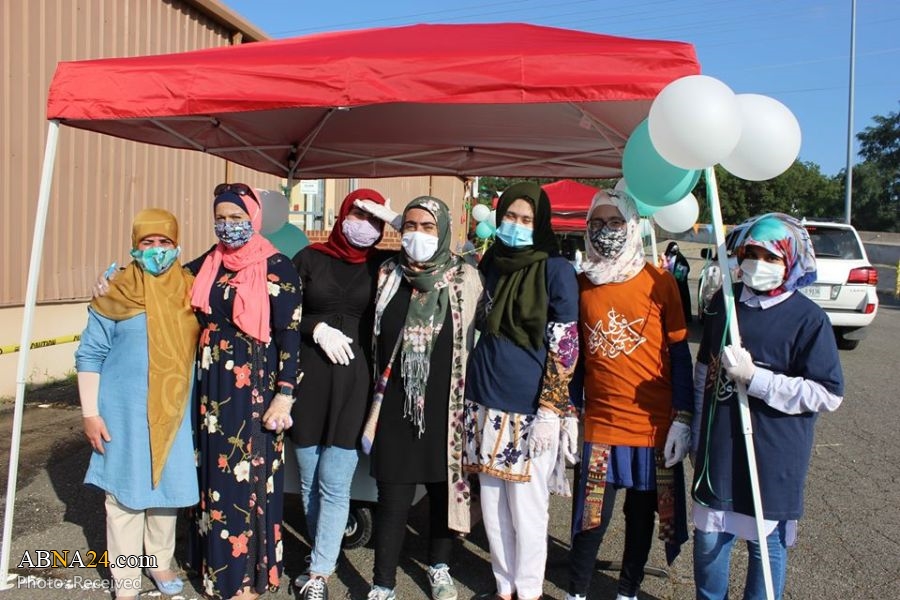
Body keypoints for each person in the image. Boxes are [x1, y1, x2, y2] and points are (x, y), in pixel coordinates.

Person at [691, 213, 844, 600]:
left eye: (771, 256)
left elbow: (828, 393)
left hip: (772, 455)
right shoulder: (724, 304)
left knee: (765, 546)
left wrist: (757, 379)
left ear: (790, 261)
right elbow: (703, 370)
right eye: (752, 253)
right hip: (720, 450)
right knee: (709, 541)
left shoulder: (808, 320)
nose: (759, 263)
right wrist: (693, 429)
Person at [566, 190, 693, 600]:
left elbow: (679, 354)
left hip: (652, 428)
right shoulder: (581, 284)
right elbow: (576, 359)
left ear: (633, 226)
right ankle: (576, 592)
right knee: (590, 519)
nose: (606, 231)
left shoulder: (661, 282)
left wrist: (683, 417)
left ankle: (627, 591)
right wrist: (568, 411)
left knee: (641, 517)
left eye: (615, 222)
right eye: (597, 223)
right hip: (601, 426)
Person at [357, 195, 483, 600]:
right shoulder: (387, 273)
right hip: (394, 405)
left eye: (428, 227)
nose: (417, 235)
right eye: (409, 226)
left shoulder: (465, 277)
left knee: (443, 493)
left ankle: (439, 567)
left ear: (443, 231)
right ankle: (383, 584)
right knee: (393, 498)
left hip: (447, 408)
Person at [463, 181, 580, 600]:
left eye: (526, 219)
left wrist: (552, 408)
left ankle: (528, 591)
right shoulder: (494, 261)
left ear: (540, 222)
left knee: (528, 509)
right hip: (483, 399)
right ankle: (504, 587)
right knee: (493, 506)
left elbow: (566, 345)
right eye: (510, 216)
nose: (516, 225)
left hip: (530, 408)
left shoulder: (557, 270)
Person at [75, 208, 199, 600]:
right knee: (124, 497)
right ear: (135, 245)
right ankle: (126, 577)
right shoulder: (115, 290)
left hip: (174, 411)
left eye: (165, 242)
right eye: (148, 242)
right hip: (123, 413)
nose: (157, 249)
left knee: (167, 491)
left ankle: (159, 561)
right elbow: (90, 354)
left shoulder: (192, 289)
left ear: (177, 245)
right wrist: (90, 413)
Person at [186, 183, 302, 600]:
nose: (228, 225)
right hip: (211, 387)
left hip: (253, 385)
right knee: (213, 476)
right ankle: (216, 572)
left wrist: (284, 393)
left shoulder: (277, 266)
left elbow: (290, 334)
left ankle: (246, 579)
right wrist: (116, 281)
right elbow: (167, 283)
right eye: (221, 218)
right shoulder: (210, 261)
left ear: (253, 218)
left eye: (236, 217)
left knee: (246, 479)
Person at [288, 189, 392, 600]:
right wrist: (314, 327)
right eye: (359, 214)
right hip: (307, 383)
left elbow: (429, 258)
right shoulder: (309, 258)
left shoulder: (382, 265)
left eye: (374, 219)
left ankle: (319, 573)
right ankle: (321, 556)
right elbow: (282, 311)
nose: (365, 225)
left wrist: (394, 219)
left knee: (334, 483)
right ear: (343, 213)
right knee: (309, 481)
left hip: (355, 386)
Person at [663, 241, 692, 323]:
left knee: (682, 300)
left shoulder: (680, 258)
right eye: (673, 249)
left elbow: (687, 268)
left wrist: (679, 273)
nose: (674, 251)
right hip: (669, 282)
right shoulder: (667, 256)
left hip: (680, 284)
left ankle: (684, 318)